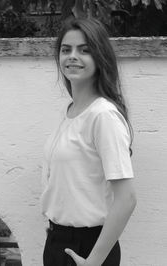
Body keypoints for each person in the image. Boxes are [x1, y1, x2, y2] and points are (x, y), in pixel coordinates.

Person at [40, 18, 137, 266]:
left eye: (84, 50)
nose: (72, 56)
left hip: (88, 249)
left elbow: (126, 199)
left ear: (100, 57)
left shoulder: (102, 115)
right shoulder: (71, 111)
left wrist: (93, 261)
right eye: (66, 49)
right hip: (58, 242)